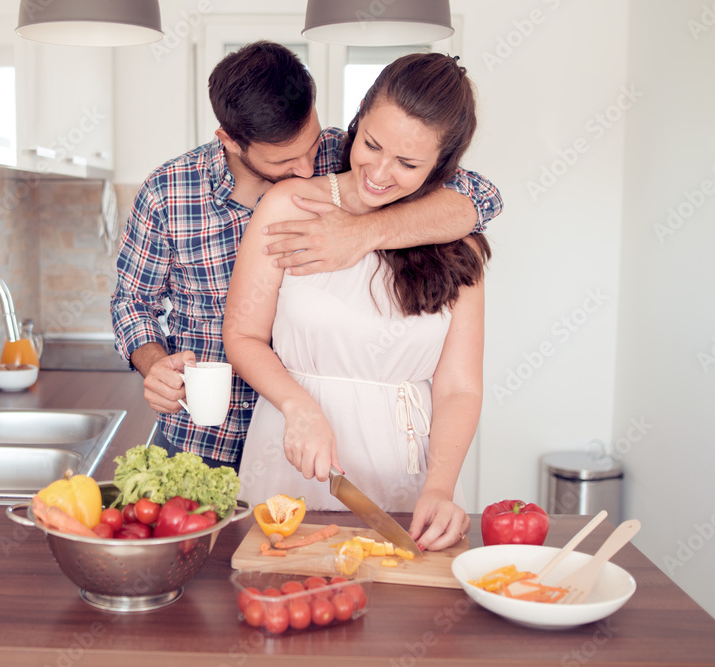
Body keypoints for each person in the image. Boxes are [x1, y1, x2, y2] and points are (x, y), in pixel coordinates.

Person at [111, 42, 501, 471]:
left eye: (311, 145)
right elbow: (132, 302)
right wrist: (154, 365)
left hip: (307, 439)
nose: (306, 168)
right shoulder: (168, 192)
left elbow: (480, 196)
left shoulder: (351, 153)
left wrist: (362, 231)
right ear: (230, 141)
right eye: (284, 159)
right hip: (203, 435)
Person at [223, 53, 490, 551]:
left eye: (408, 164)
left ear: (442, 165)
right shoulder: (290, 206)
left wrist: (440, 486)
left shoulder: (459, 243)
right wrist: (298, 407)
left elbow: (458, 387)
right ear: (357, 120)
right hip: (290, 452)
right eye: (371, 144)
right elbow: (242, 336)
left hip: (401, 476)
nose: (379, 172)